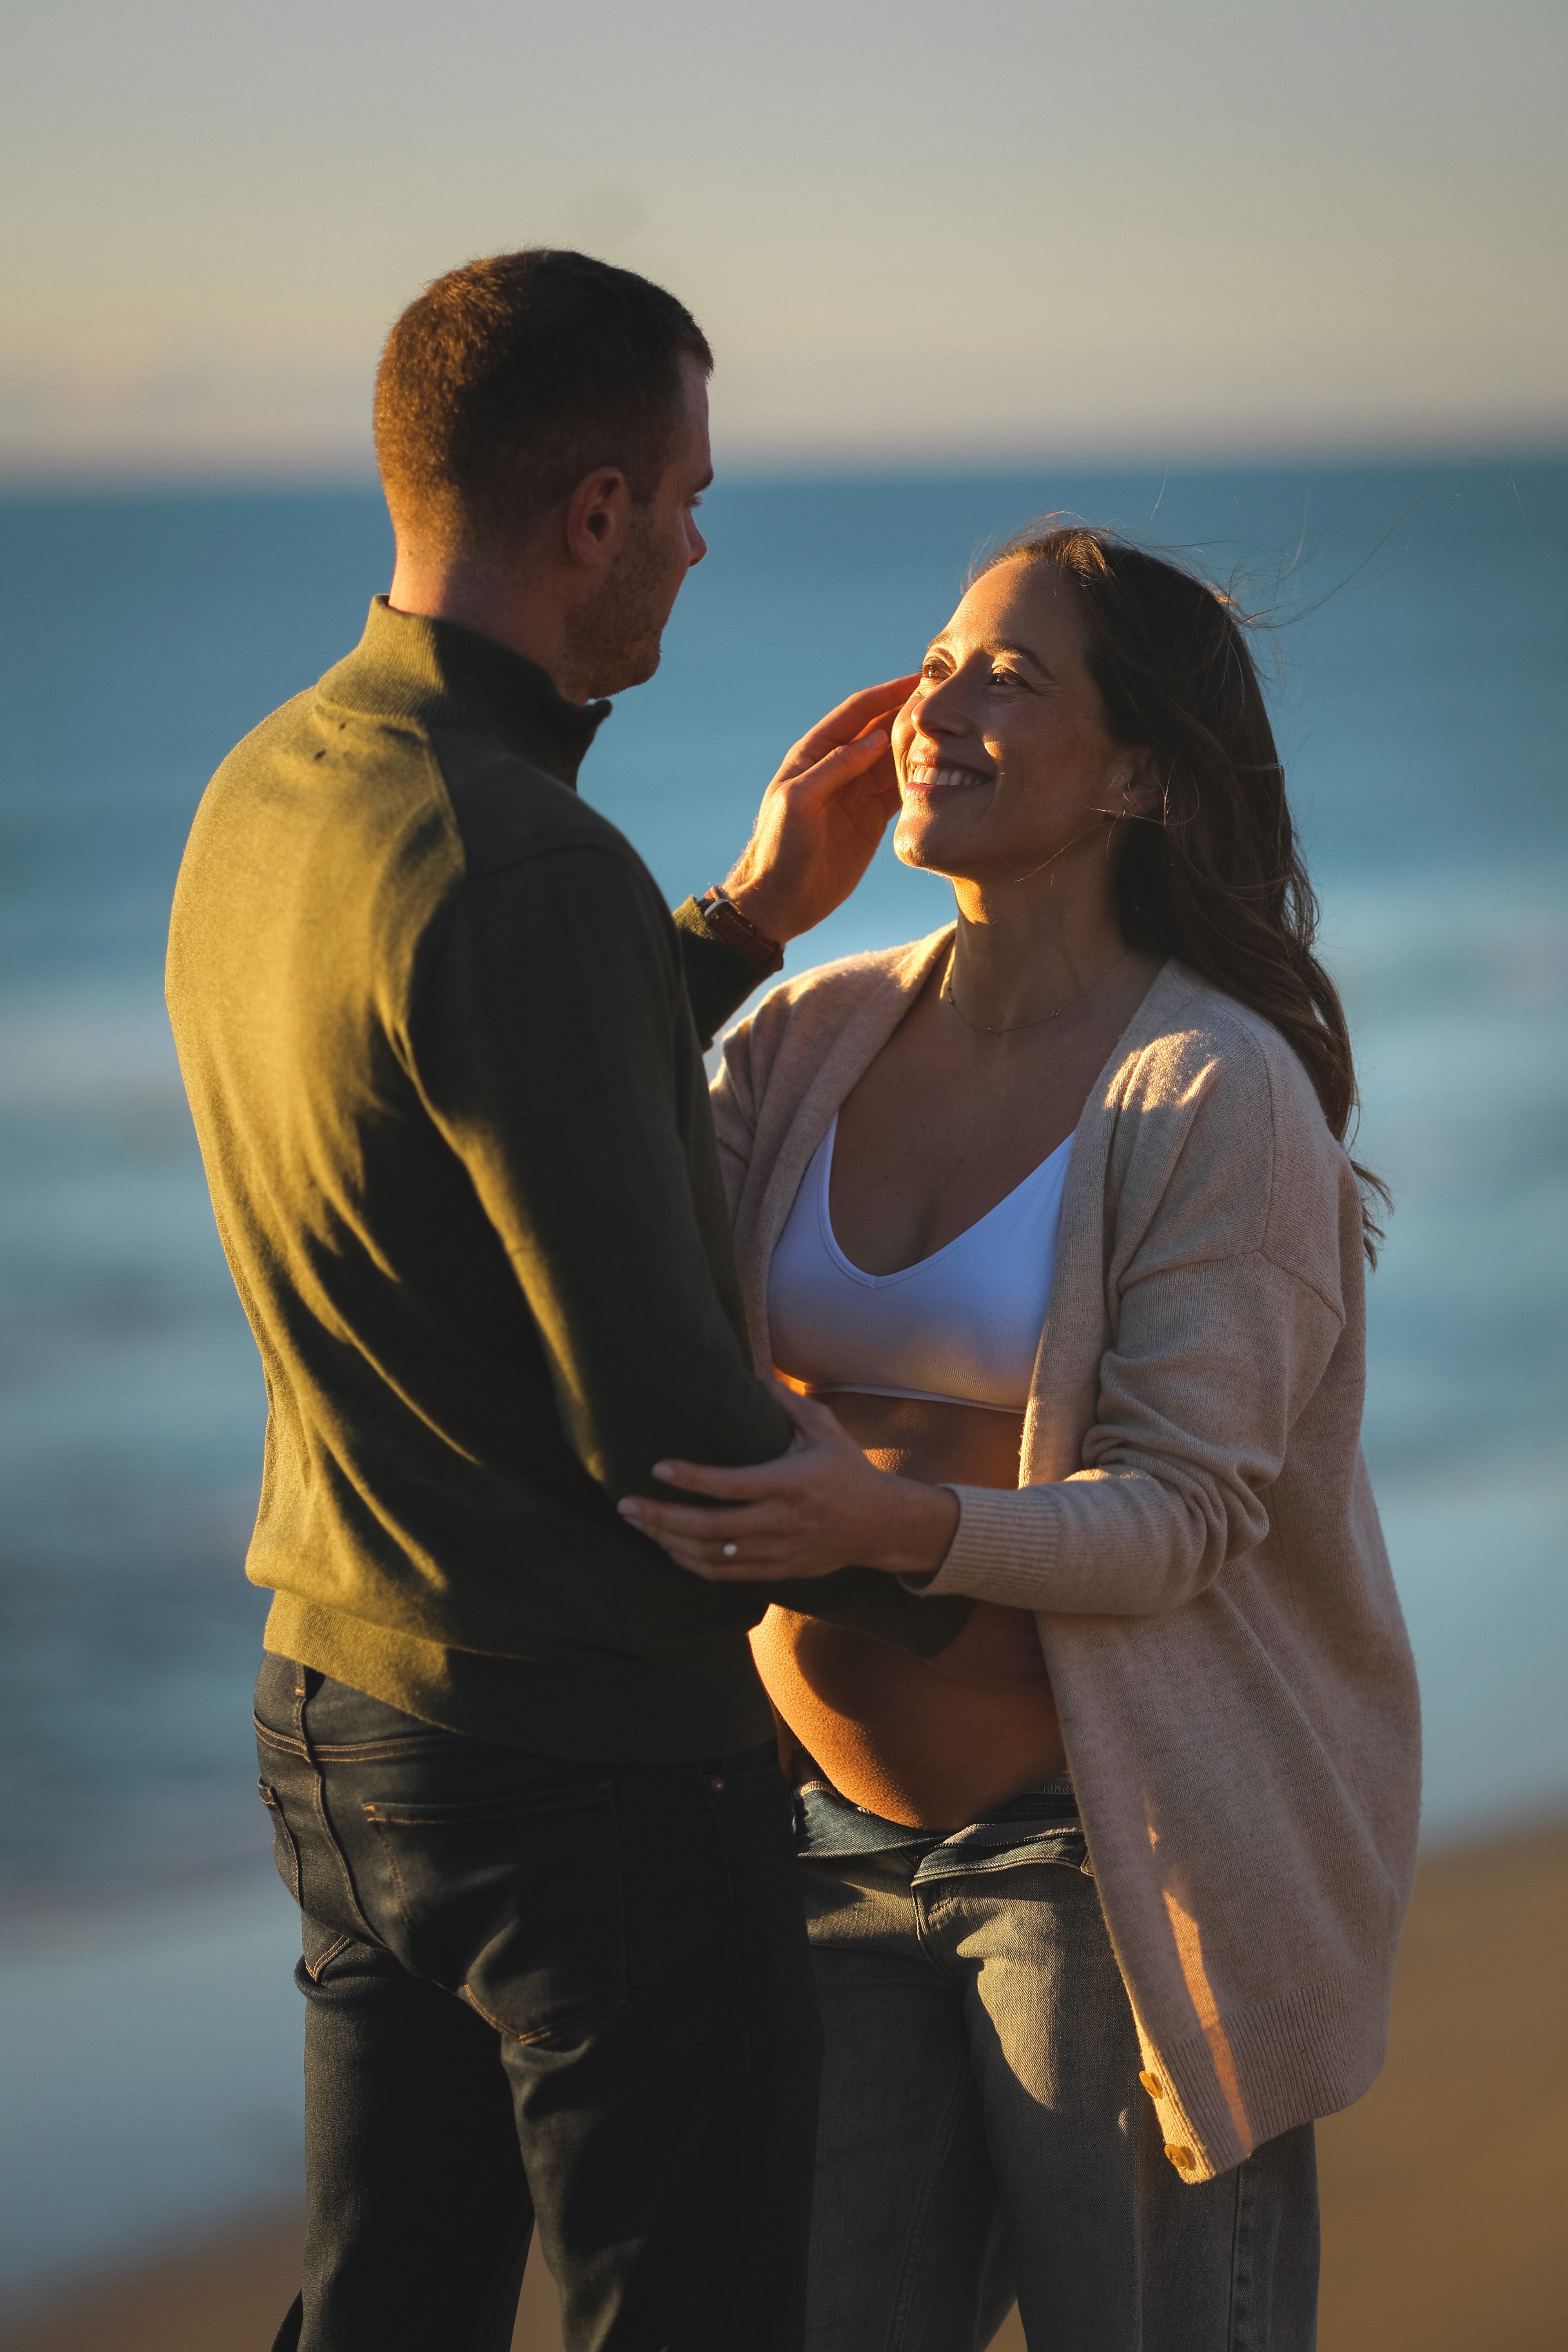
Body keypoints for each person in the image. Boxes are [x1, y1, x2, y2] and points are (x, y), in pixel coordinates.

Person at [165, 248, 969, 2352]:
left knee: (385, 2314)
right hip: (582, 1773)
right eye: (689, 495)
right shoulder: (518, 858)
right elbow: (675, 1435)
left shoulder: (272, 788)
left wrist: (743, 924)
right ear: (594, 511)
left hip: (340, 1726)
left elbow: (450, 1106)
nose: (703, 543)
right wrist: (975, 1590)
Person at [619, 526, 1423, 2351]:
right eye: (934, 661)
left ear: (1139, 774)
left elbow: (1183, 1518)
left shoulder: (1213, 1090)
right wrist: (744, 918)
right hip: (814, 1854)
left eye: (1008, 675)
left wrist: (882, 1524)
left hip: (1105, 1874)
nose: (934, 705)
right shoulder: (809, 1035)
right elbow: (599, 1264)